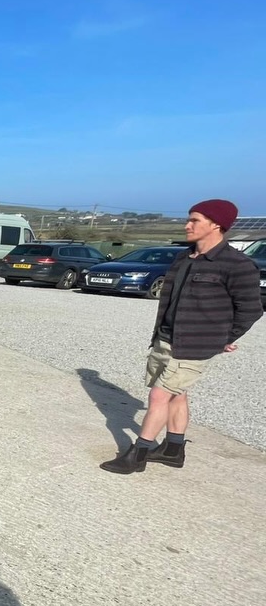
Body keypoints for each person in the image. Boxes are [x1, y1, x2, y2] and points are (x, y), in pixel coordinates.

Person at [100, 199, 262, 474]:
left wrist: (224, 337)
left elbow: (251, 309)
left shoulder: (237, 264)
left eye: (195, 220)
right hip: (165, 339)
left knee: (160, 396)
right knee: (177, 395)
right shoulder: (183, 257)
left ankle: (138, 455)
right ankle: (173, 450)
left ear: (216, 225)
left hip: (194, 346)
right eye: (188, 219)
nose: (187, 225)